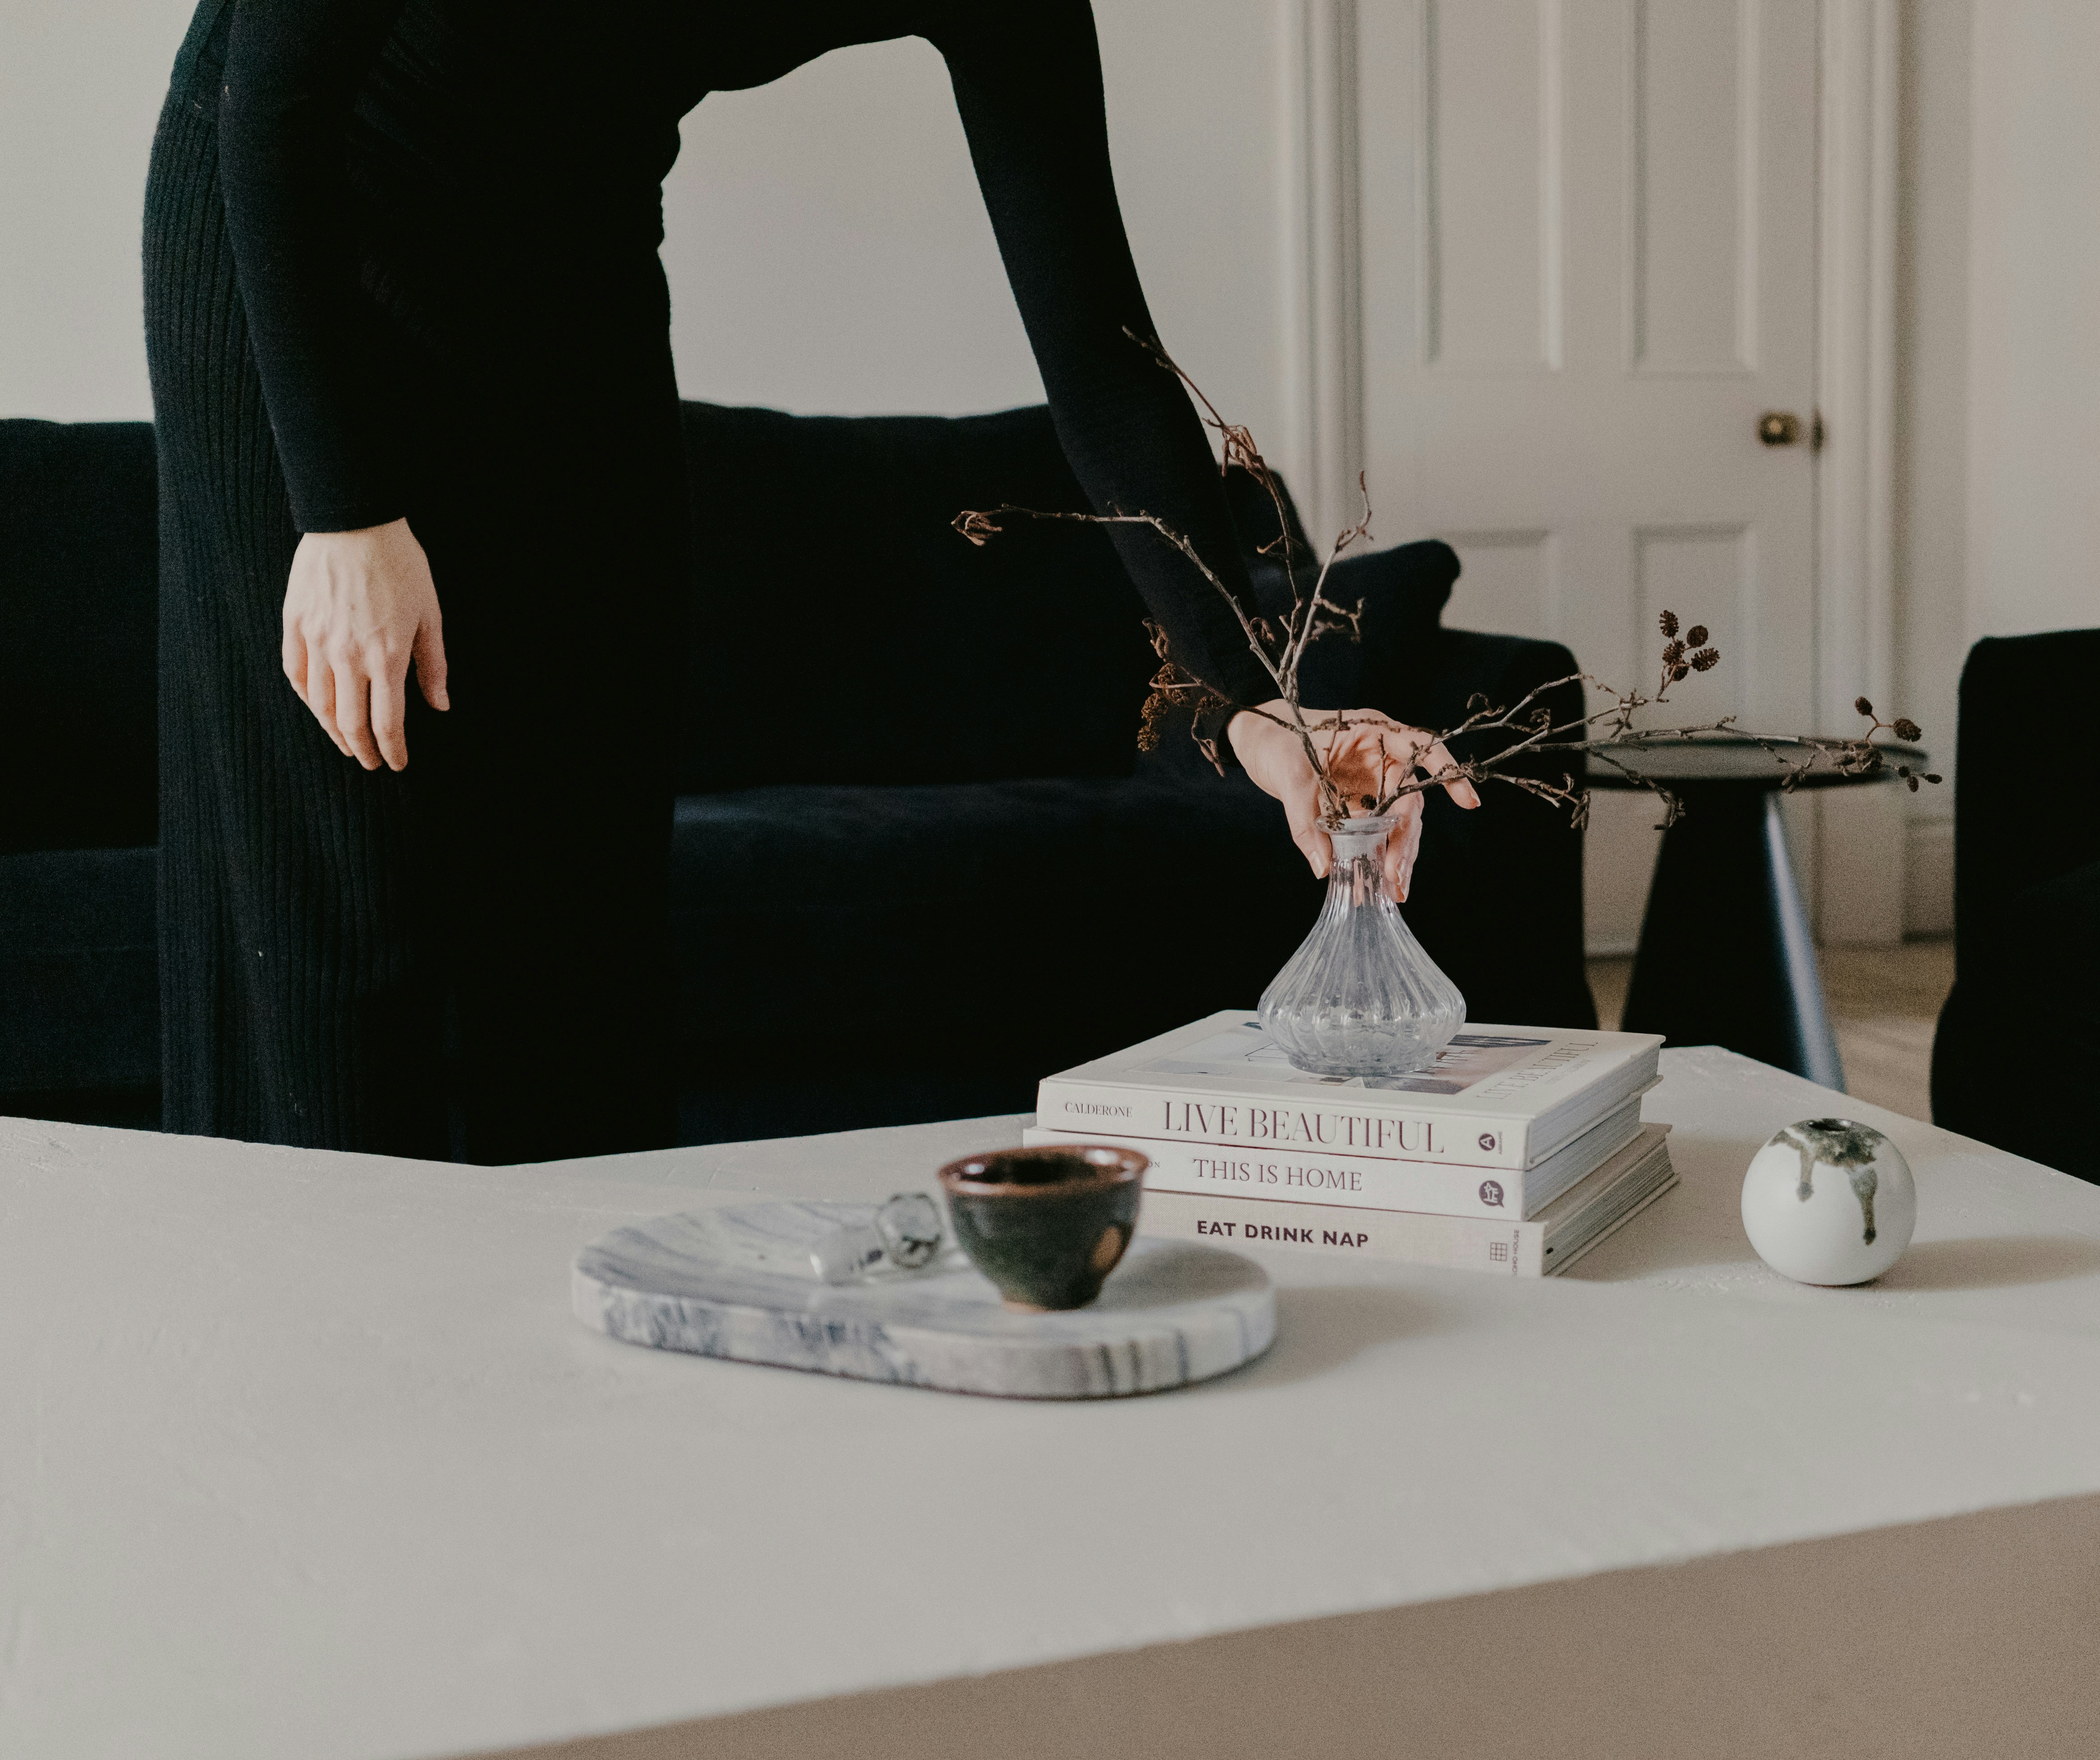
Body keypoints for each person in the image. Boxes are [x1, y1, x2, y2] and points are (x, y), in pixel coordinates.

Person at [141, 0, 1473, 1164]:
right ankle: (334, 1353)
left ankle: (557, 1363)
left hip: (573, 235)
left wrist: (1256, 696)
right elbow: (274, 95)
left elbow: (1099, 346)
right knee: (358, 863)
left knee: (586, 873)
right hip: (302, 210)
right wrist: (345, 513)